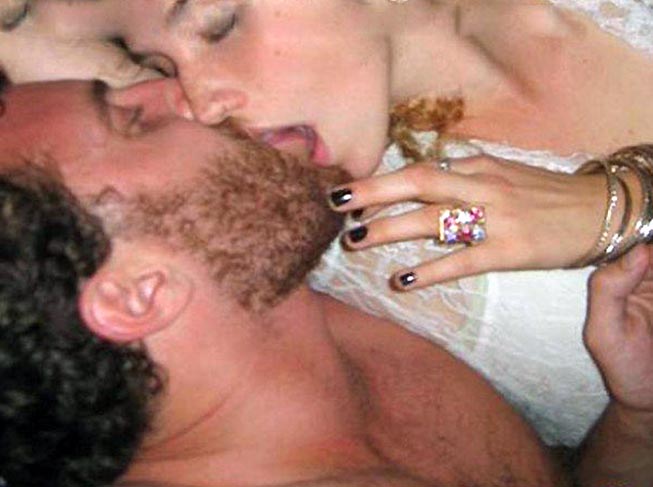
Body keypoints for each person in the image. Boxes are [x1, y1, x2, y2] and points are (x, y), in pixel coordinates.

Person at [4, 0, 653, 444]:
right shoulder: (379, 230)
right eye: (161, 66)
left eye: (219, 24)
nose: (200, 101)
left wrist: (622, 207)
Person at [0, 78, 572, 487]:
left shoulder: (290, 310)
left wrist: (622, 424)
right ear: (136, 296)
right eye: (134, 122)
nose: (185, 88)